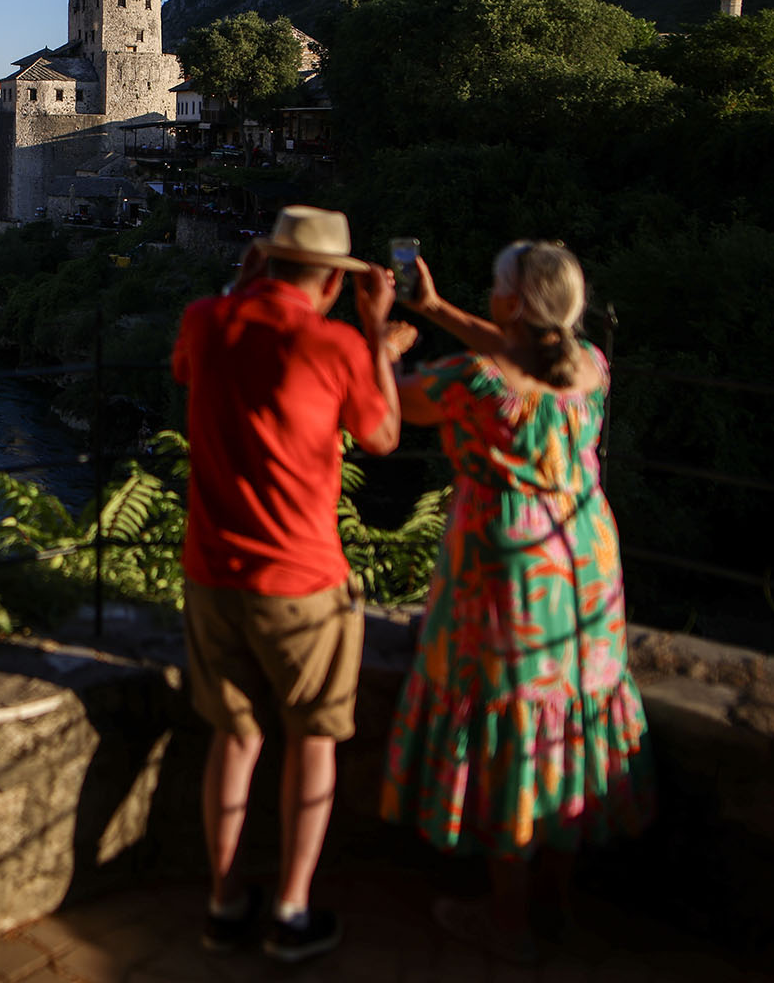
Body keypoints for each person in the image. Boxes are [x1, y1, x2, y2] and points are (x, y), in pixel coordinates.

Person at [380, 241, 653, 964]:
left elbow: (391, 408)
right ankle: (553, 904)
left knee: (515, 728)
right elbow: (522, 351)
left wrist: (386, 341)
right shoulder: (589, 364)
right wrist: (436, 309)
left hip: (510, 569)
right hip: (586, 557)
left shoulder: (475, 381)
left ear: (510, 303)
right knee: (564, 718)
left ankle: (507, 921)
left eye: (495, 286)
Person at [171, 204, 403, 964]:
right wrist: (378, 342)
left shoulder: (208, 321)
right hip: (302, 581)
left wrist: (235, 295)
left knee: (233, 739)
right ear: (334, 281)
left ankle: (222, 903)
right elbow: (382, 435)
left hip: (211, 571)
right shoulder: (334, 343)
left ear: (263, 262)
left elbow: (183, 368)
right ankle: (292, 913)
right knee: (312, 740)